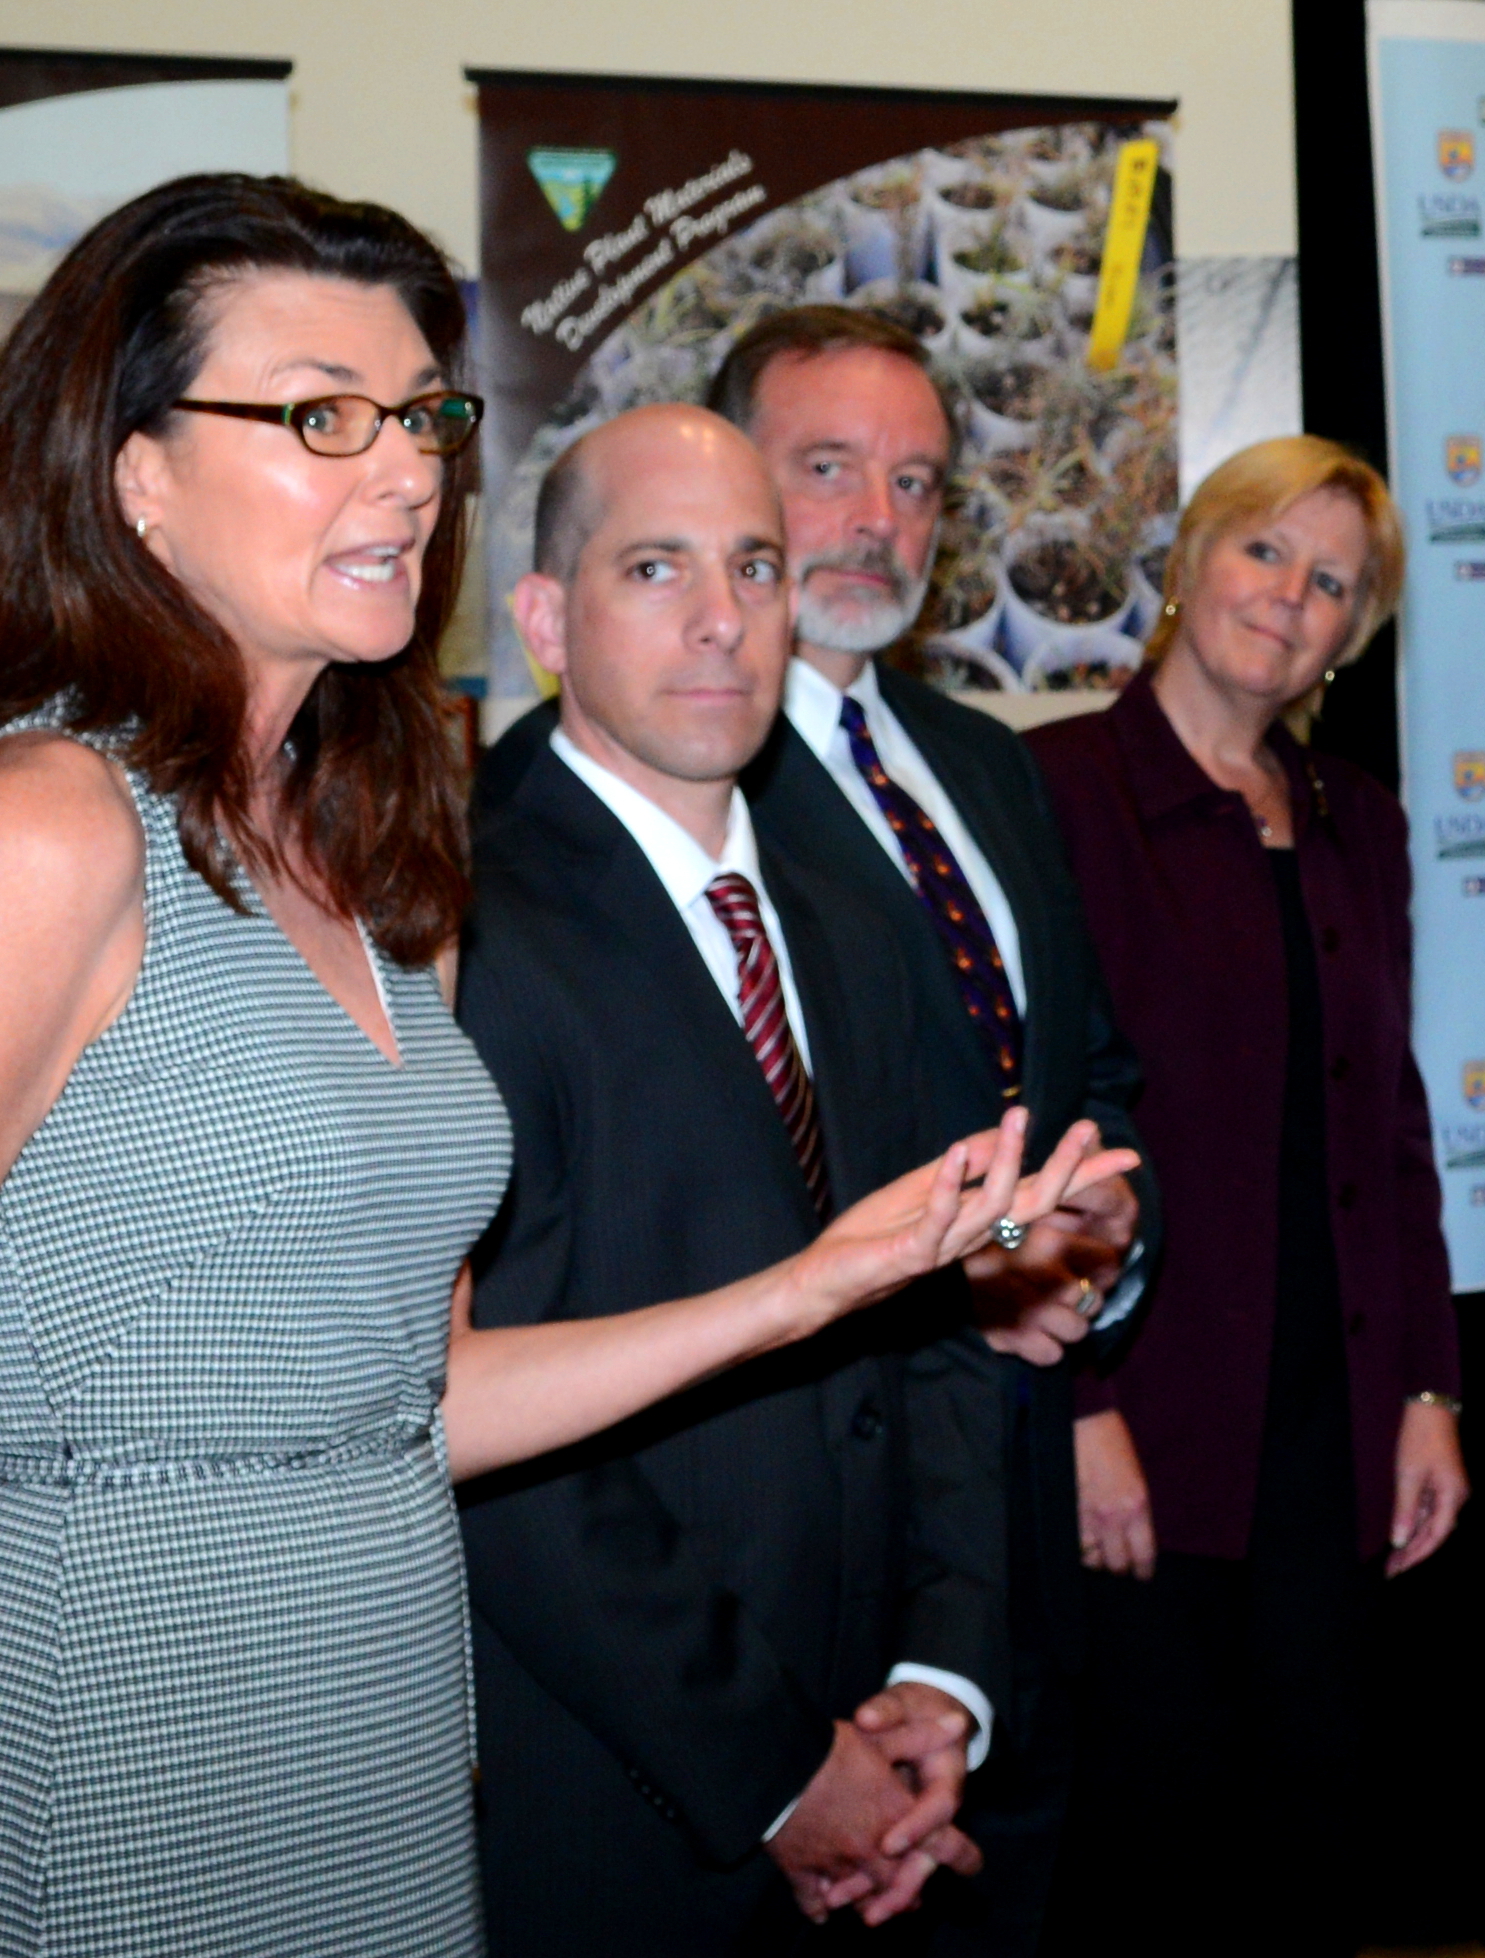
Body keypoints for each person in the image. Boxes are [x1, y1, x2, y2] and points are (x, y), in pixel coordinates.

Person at [0, 176, 1124, 1958]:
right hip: (129, 1732)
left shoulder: (371, 869)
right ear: (136, 473)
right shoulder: (50, 827)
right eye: (319, 416)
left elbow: (416, 1402)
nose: (402, 474)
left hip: (379, 1738)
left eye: (423, 417)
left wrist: (822, 1285)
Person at [456, 400, 1138, 1955]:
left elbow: (938, 1303)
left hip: (885, 1759)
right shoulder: (465, 932)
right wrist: (777, 1768)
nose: (719, 619)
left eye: (754, 567)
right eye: (654, 568)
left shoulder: (842, 921)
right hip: (625, 1804)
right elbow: (502, 1443)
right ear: (547, 620)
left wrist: (941, 1668)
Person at [700, 305, 1153, 1957]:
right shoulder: (682, 789)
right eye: (827, 470)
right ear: (727, 474)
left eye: (914, 483)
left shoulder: (985, 762)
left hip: (1013, 1533)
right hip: (798, 1559)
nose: (876, 520)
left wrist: (1093, 1252)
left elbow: (1087, 1077)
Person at [1025, 435, 1469, 1958]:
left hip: (1331, 1432)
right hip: (1144, 1430)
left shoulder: (1357, 818)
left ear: (1354, 630)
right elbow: (1014, 1130)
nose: (1287, 599)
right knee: (1147, 1867)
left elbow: (1387, 1122)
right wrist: (1074, 1400)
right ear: (1188, 559)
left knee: (1315, 1854)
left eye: (1331, 580)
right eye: (1262, 551)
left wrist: (1425, 1386)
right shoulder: (1055, 793)